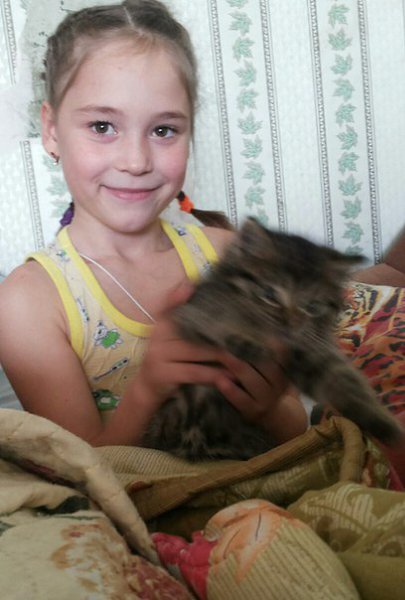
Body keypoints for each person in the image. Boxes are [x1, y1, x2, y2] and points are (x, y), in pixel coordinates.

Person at [0, 0, 308, 448]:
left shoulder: (232, 258)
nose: (136, 161)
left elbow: (298, 428)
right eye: (102, 126)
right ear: (51, 130)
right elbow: (83, 472)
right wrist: (149, 389)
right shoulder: (28, 304)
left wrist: (265, 405)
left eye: (163, 130)